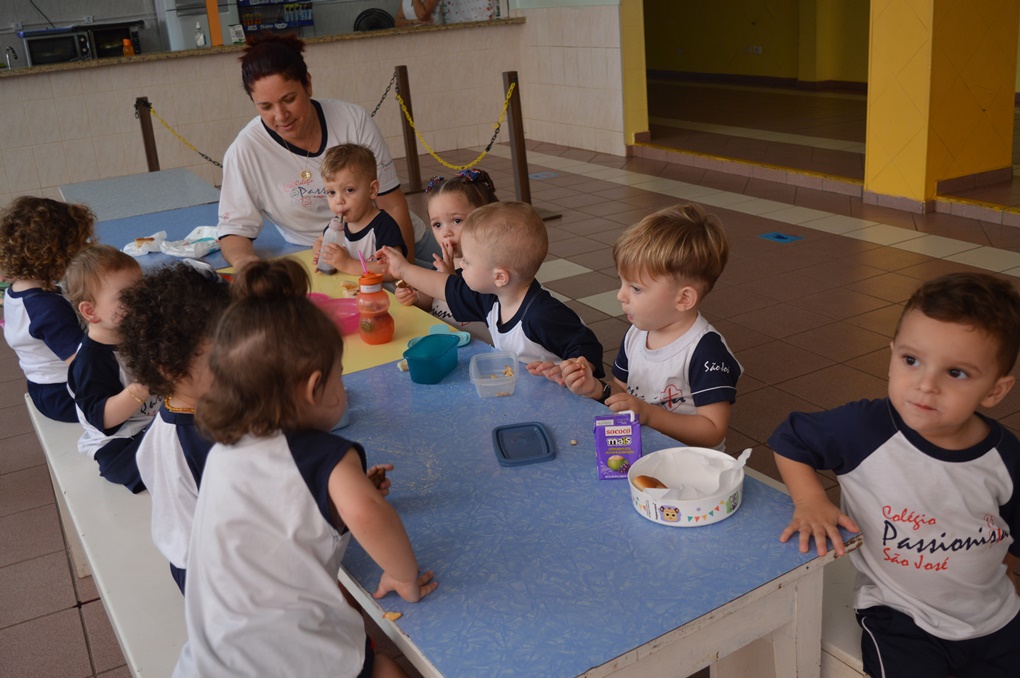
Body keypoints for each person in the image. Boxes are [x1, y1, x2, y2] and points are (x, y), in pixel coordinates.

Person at [175, 259, 436, 677]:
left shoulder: (225, 449)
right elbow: (370, 515)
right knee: (386, 669)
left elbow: (279, 503)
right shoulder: (325, 456)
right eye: (340, 376)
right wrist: (402, 576)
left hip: (213, 658)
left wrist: (340, 495)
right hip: (292, 658)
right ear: (316, 387)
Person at [769, 272, 1020, 678]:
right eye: (911, 360)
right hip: (901, 618)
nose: (925, 385)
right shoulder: (864, 429)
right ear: (891, 355)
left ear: (994, 390)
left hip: (996, 620)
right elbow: (790, 438)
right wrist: (809, 499)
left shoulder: (1005, 459)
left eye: (955, 373)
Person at [216, 33, 440, 271]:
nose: (281, 116)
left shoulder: (352, 121)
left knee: (460, 290)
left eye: (289, 99)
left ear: (308, 84)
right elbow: (234, 231)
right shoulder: (245, 151)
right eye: (266, 106)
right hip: (324, 260)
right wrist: (246, 264)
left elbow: (391, 205)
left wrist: (406, 272)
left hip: (396, 244)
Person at [558, 203, 740, 451]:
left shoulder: (705, 350)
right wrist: (595, 389)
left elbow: (713, 431)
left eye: (635, 288)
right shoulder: (637, 333)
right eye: (622, 283)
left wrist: (649, 414)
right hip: (641, 453)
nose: (621, 295)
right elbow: (621, 392)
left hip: (688, 467)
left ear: (684, 298)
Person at [377, 201, 604, 374]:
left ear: (500, 277)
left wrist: (579, 366)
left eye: (467, 261)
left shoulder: (541, 314)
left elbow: (587, 345)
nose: (461, 265)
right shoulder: (492, 298)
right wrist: (403, 270)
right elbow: (444, 286)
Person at [117, 261, 231, 594]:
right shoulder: (204, 440)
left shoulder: (173, 417)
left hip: (191, 561)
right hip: (217, 579)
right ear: (171, 369)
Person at [65, 246, 160, 493]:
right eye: (127, 296)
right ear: (90, 311)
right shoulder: (90, 362)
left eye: (142, 291)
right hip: (120, 443)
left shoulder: (136, 332)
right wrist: (144, 385)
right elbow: (104, 418)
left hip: (154, 421)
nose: (140, 301)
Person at [0, 197, 95, 422]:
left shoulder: (19, 290)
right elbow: (84, 365)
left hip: (44, 390)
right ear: (57, 255)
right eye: (78, 249)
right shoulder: (46, 308)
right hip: (66, 396)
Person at [395, 169, 497, 342]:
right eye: (437, 225)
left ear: (483, 218)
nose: (446, 232)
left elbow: (469, 299)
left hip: (478, 346)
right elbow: (432, 297)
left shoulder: (488, 265)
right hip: (447, 342)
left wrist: (450, 278)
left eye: (457, 221)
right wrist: (416, 297)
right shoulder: (444, 261)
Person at [314, 144, 407, 279]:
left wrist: (348, 264)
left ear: (372, 190)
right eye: (331, 192)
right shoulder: (338, 225)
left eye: (349, 190)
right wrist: (320, 253)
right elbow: (319, 241)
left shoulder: (384, 226)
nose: (339, 200)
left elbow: (394, 269)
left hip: (383, 296)